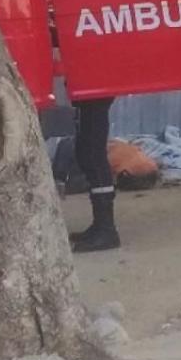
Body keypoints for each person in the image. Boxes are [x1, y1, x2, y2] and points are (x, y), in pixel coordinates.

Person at [67, 97, 120, 252]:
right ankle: (100, 225)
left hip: (95, 95)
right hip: (90, 96)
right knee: (87, 152)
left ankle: (106, 230)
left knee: (93, 156)